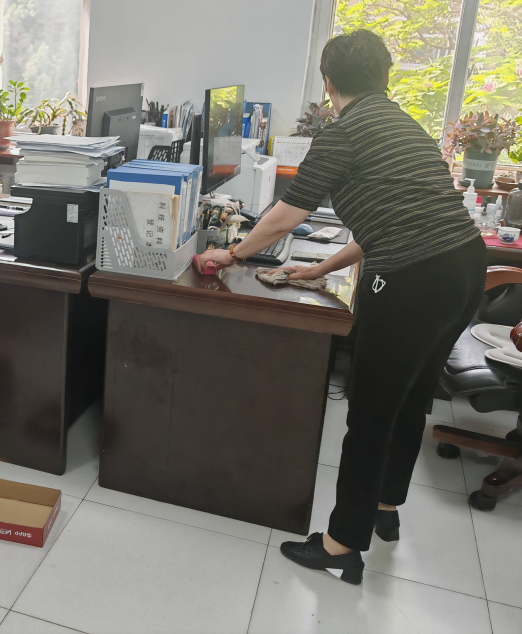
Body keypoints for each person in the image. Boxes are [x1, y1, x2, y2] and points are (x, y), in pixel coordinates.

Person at [195, 29, 484, 585]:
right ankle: (385, 507)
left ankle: (341, 545)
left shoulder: (343, 132)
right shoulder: (404, 124)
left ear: (328, 83)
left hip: (412, 280)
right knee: (411, 396)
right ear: (384, 76)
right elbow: (391, 221)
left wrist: (231, 254)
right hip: (465, 269)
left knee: (370, 411)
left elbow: (287, 215)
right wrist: (321, 268)